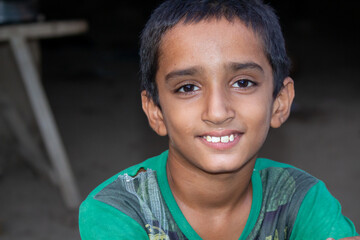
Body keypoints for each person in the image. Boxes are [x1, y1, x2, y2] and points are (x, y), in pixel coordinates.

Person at [78, 0, 359, 239]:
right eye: (188, 87)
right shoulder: (118, 210)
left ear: (280, 102)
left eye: (243, 83)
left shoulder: (301, 199)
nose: (218, 111)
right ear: (155, 111)